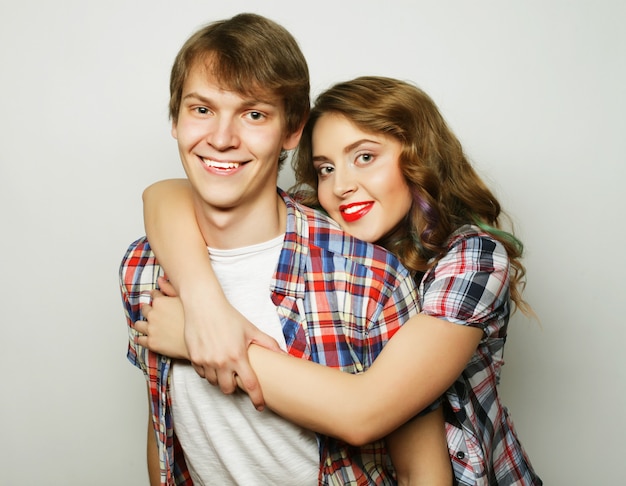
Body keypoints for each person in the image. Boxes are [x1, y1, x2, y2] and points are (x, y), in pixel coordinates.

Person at [138, 76, 543, 485]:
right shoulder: (327, 231)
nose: (342, 186)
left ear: (420, 156)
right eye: (326, 169)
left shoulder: (472, 258)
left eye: (364, 157)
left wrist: (200, 337)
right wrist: (204, 301)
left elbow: (363, 412)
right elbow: (165, 194)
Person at [119, 13, 450, 486]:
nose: (221, 138)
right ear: (175, 118)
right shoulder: (143, 267)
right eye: (201, 110)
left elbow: (423, 470)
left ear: (293, 132)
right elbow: (163, 427)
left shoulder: (367, 278)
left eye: (254, 114)